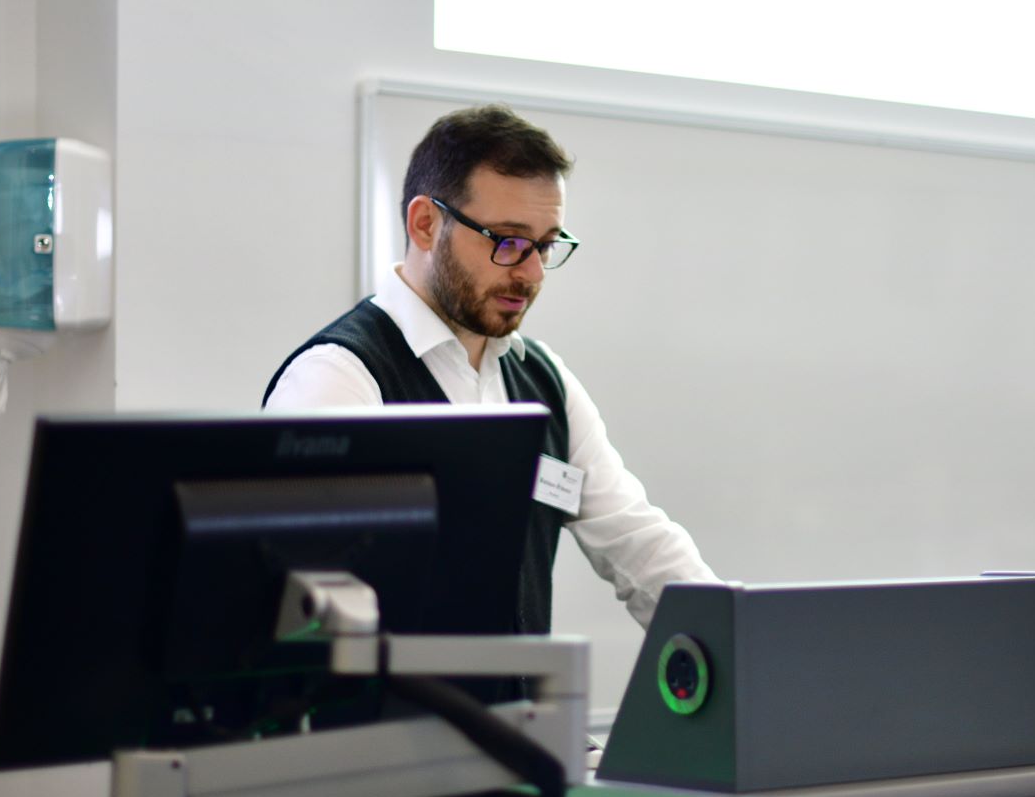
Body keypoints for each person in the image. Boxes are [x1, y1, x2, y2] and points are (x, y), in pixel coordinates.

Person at [265, 104, 713, 633]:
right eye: (507, 241)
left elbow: (638, 542)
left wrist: (735, 641)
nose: (531, 273)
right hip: (390, 717)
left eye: (545, 246)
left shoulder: (545, 383)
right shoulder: (339, 378)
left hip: (518, 717)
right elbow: (302, 601)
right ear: (426, 224)